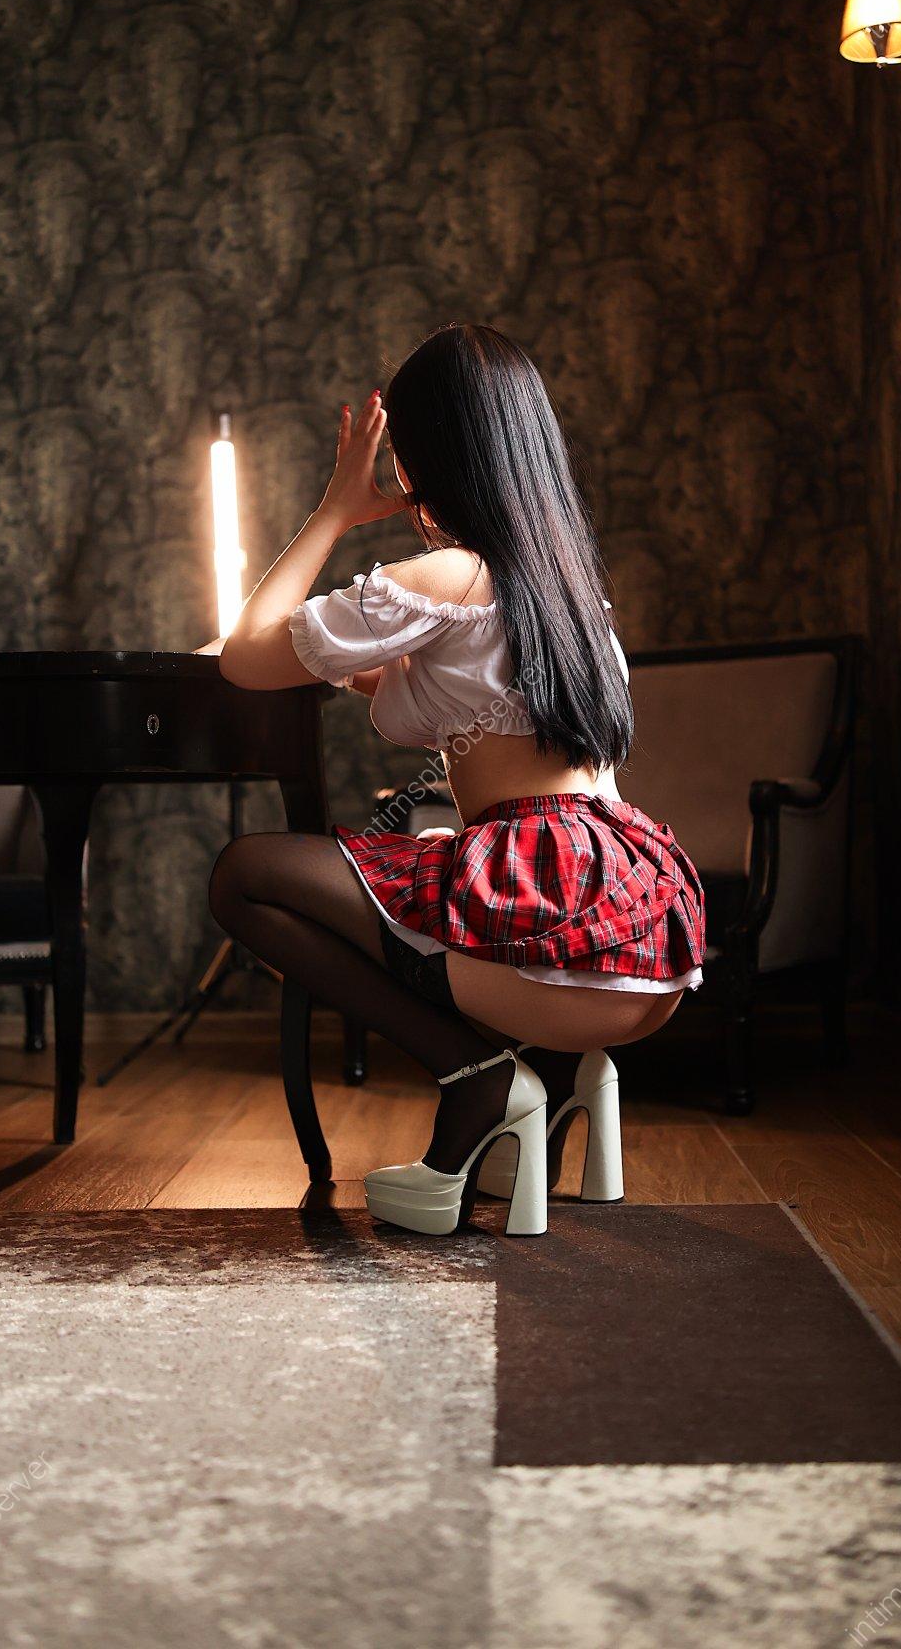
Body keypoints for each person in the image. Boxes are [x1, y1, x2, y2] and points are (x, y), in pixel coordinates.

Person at [208, 323, 705, 1237]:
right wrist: (338, 661)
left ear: (427, 458)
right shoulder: (570, 593)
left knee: (245, 875)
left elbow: (245, 658)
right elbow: (435, 683)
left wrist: (335, 509)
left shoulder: (447, 574)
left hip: (550, 928)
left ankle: (476, 1078)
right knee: (430, 861)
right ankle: (563, 1075)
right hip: (643, 936)